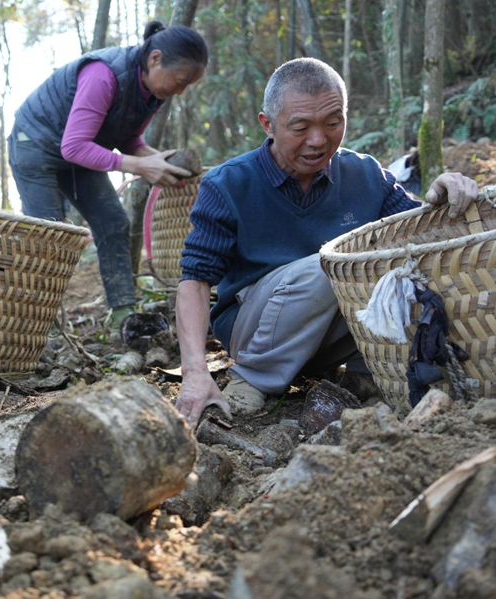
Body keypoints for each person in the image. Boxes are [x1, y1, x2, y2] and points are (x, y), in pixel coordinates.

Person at [175, 58, 479, 426]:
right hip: (257, 333)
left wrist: (440, 198)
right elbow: (194, 279)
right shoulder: (228, 184)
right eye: (300, 127)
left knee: (401, 269)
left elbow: (415, 236)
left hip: (336, 338)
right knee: (333, 264)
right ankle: (254, 378)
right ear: (267, 124)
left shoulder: (364, 173)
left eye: (333, 123)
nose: (318, 140)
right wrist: (194, 372)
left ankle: (368, 373)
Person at [8, 21, 208, 326]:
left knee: (113, 222)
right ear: (155, 59)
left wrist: (158, 160)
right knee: (47, 237)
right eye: (179, 81)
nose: (179, 92)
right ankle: (38, 326)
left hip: (77, 149)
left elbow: (129, 140)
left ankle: (122, 314)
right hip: (35, 143)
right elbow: (74, 147)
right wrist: (140, 166)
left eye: (186, 86)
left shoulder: (153, 93)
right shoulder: (103, 75)